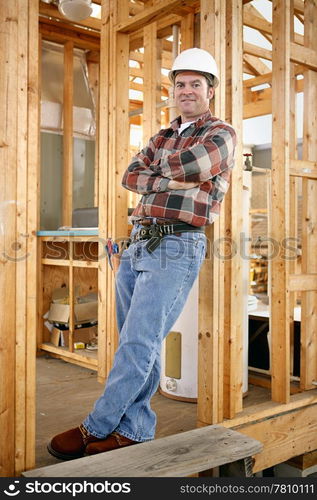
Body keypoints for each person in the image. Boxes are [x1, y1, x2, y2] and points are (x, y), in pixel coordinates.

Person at [47, 47, 236, 460]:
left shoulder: (221, 133)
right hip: (137, 243)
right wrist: (173, 180)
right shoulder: (162, 136)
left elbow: (193, 167)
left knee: (138, 341)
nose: (187, 91)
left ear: (210, 90)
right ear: (174, 90)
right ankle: (135, 428)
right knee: (136, 343)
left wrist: (160, 176)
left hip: (177, 244)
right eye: (180, 84)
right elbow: (130, 176)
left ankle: (95, 426)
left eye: (196, 85)